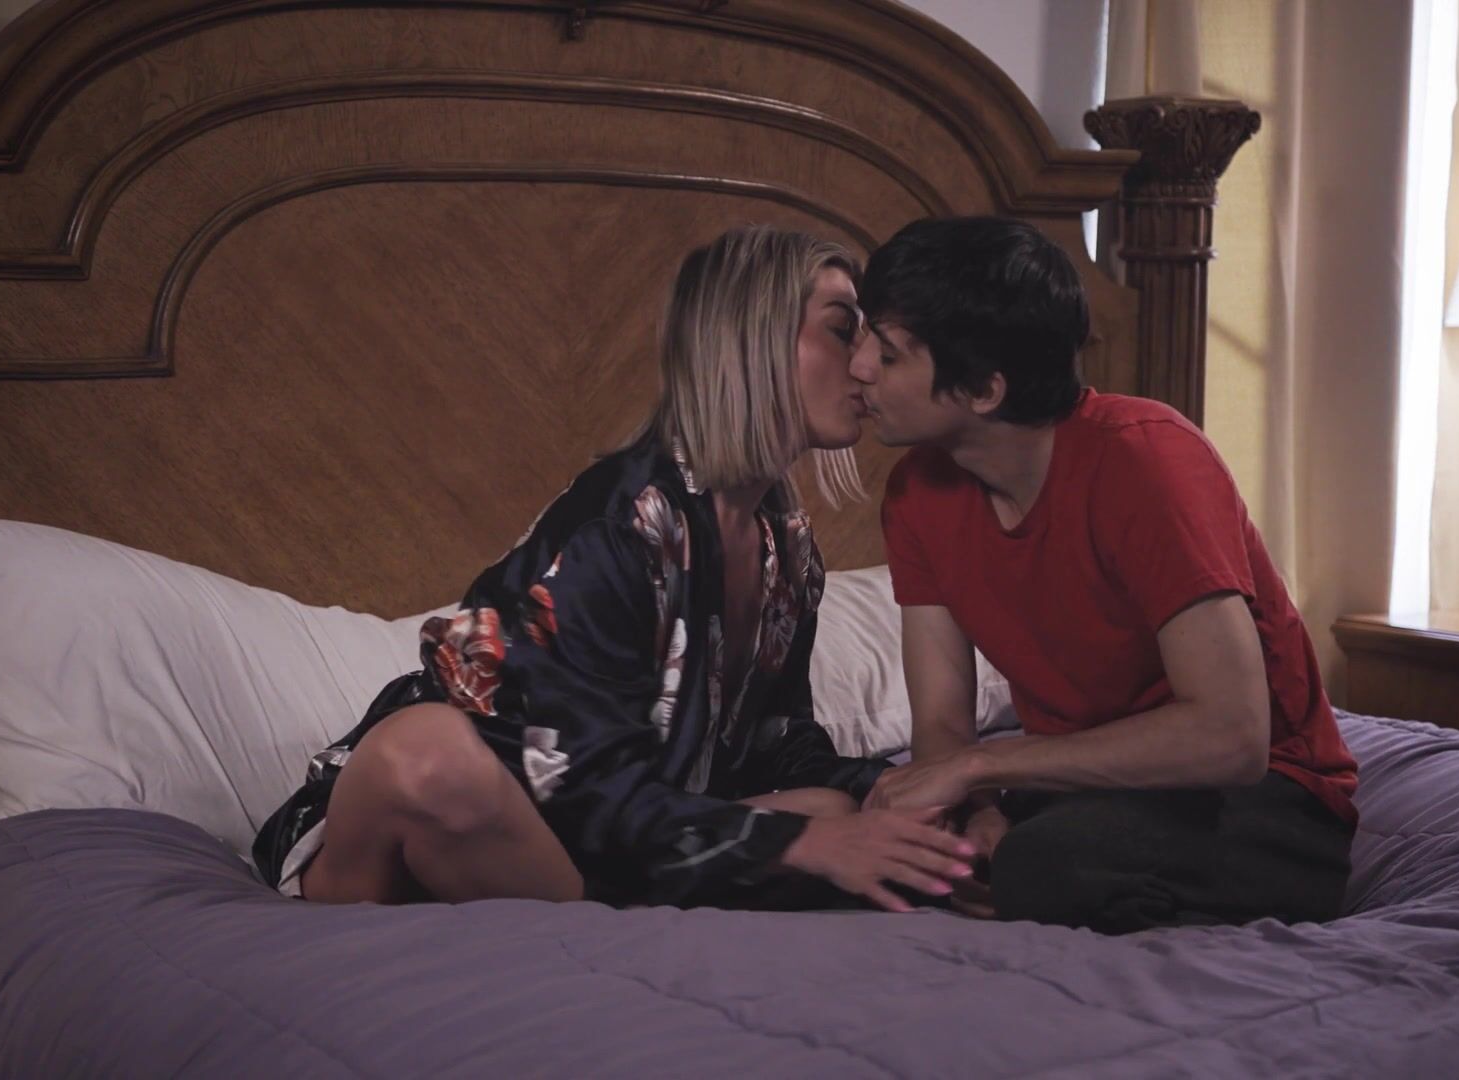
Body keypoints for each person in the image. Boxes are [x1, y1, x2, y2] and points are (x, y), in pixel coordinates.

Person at [253, 225, 975, 913]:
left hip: (588, 839)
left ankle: (607, 917)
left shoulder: (783, 545)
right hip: (464, 809)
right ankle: (609, 927)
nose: (865, 363)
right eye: (843, 329)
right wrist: (798, 847)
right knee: (425, 754)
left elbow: (777, 749)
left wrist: (902, 793)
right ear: (750, 337)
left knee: (831, 810)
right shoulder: (619, 525)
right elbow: (577, 779)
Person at [849, 216, 1360, 934]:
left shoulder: (1146, 460)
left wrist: (979, 770)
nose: (859, 366)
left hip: (1261, 793)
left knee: (1045, 866)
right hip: (1079, 786)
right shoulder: (916, 493)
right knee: (904, 850)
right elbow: (940, 722)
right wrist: (976, 811)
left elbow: (1231, 735)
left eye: (888, 354)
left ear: (984, 390)